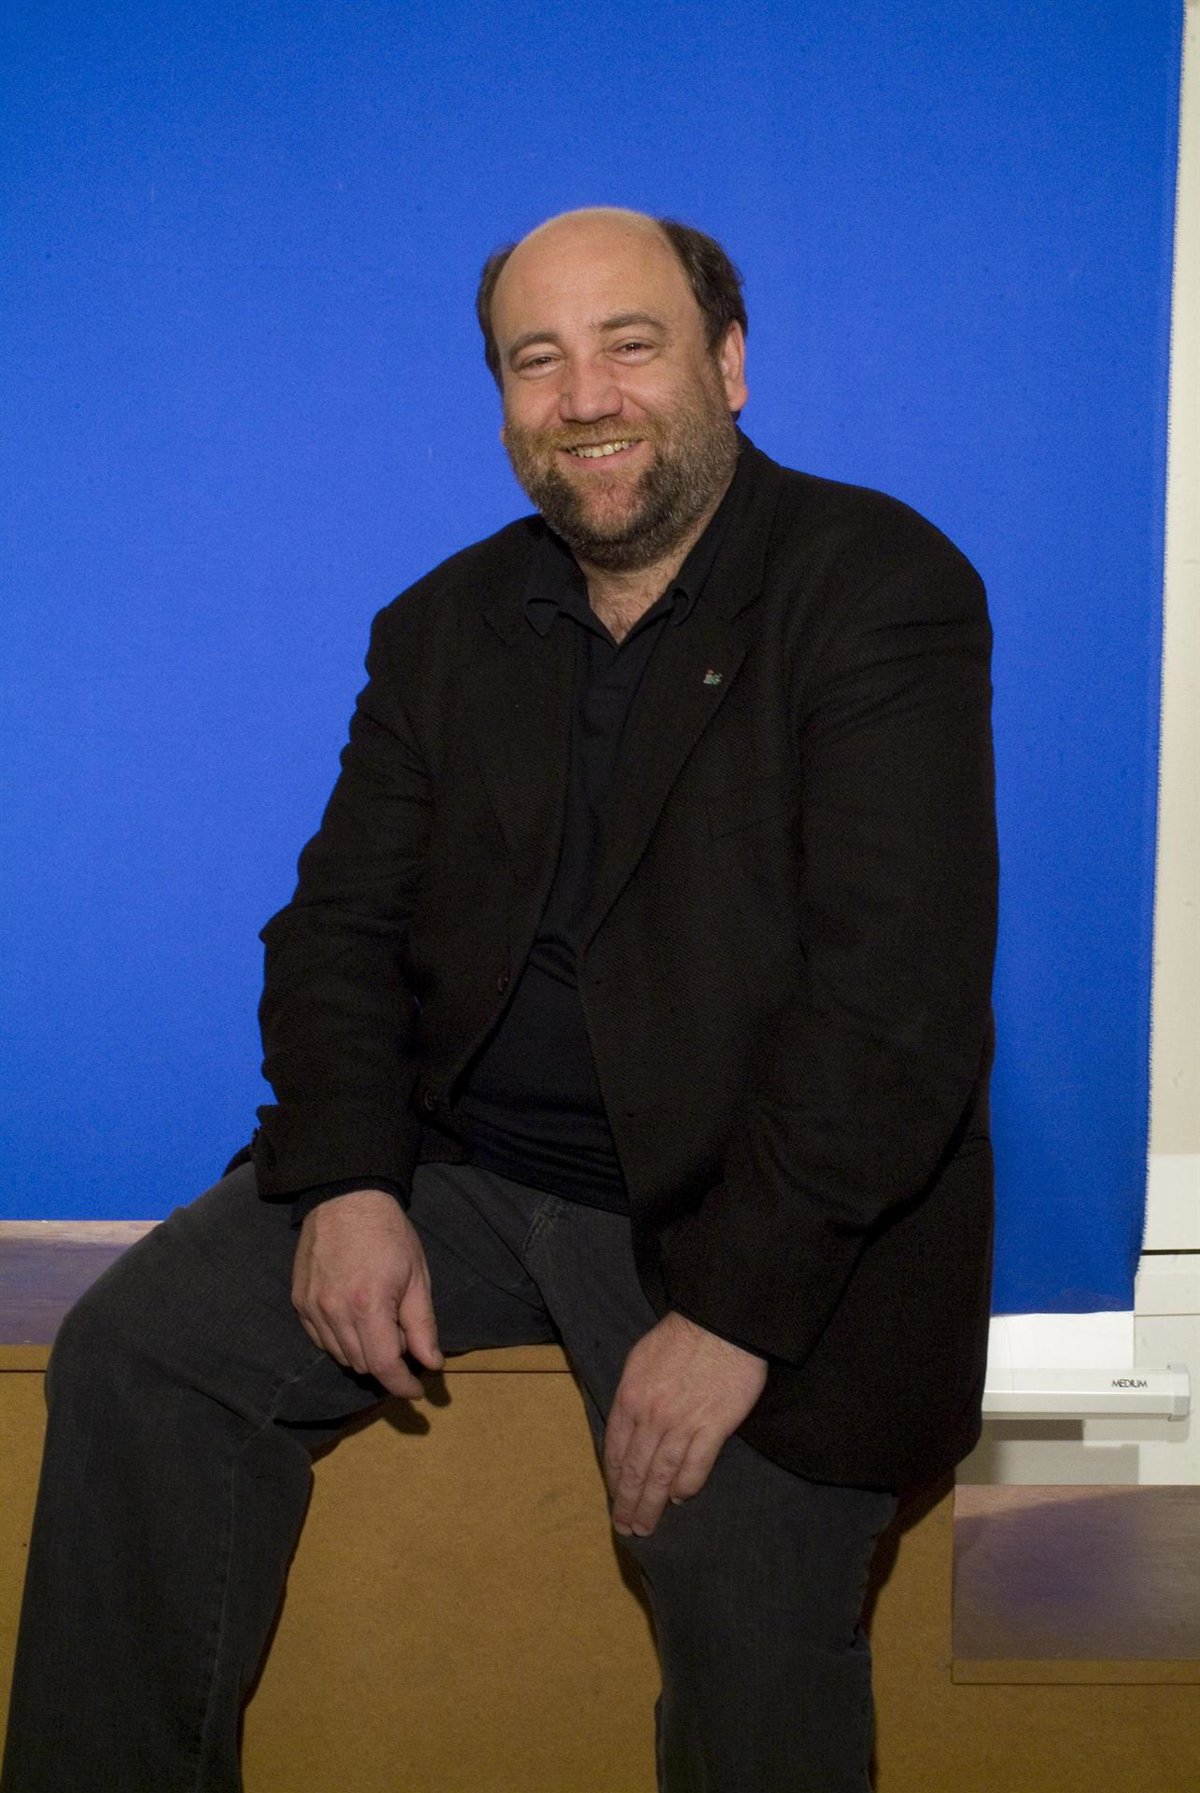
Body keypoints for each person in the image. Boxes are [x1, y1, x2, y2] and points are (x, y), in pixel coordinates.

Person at [1, 207, 998, 1793]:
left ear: (729, 364)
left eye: (629, 345)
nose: (584, 396)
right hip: (463, 1172)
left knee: (740, 1573)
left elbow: (899, 1007)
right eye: (538, 360)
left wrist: (738, 1312)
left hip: (749, 1204)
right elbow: (337, 928)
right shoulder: (441, 627)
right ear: (504, 401)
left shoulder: (877, 587)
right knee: (138, 1353)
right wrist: (349, 1176)